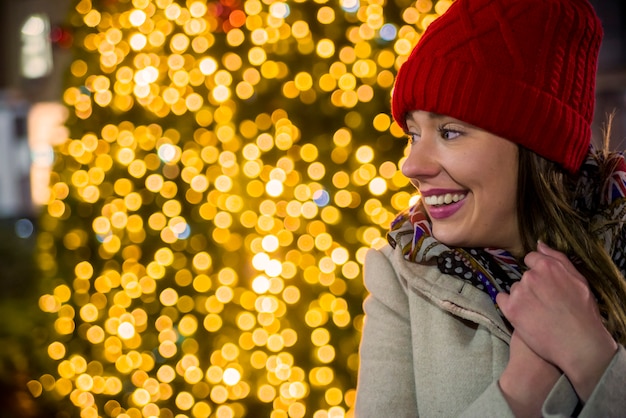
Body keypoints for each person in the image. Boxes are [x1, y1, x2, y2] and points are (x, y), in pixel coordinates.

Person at [355, 0, 626, 416]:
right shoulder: (401, 277)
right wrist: (518, 393)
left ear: (536, 145)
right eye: (413, 134)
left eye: (449, 132)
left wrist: (594, 359)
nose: (412, 166)